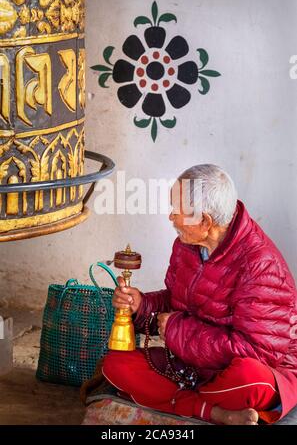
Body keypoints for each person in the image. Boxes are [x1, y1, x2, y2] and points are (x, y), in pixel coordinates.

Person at [103, 164, 297, 425]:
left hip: (253, 371)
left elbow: (255, 352)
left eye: (176, 210)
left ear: (205, 221)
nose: (171, 217)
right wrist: (141, 305)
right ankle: (215, 412)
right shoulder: (187, 244)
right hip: (191, 366)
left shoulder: (261, 265)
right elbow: (174, 301)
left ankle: (179, 400)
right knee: (115, 365)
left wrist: (177, 331)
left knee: (248, 378)